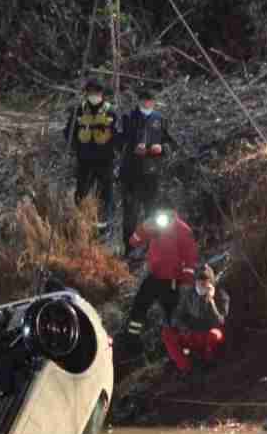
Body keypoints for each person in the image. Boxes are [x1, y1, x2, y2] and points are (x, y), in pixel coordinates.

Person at [121, 205, 198, 360]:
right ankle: (131, 343)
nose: (163, 217)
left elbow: (190, 258)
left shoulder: (182, 229)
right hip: (154, 276)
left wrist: (186, 283)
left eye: (166, 214)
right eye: (160, 214)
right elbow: (134, 242)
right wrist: (143, 227)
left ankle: (179, 352)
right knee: (139, 306)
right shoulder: (154, 227)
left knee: (172, 317)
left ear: (172, 213)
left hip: (172, 281)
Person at [117, 88, 177, 254]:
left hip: (152, 173)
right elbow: (119, 140)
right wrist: (133, 148)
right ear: (139, 101)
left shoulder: (159, 119)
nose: (147, 104)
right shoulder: (129, 118)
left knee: (151, 211)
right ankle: (129, 248)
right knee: (130, 213)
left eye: (150, 101)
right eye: (144, 101)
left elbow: (171, 142)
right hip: (131, 173)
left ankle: (152, 247)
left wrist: (162, 148)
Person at [64, 78, 118, 227]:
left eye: (97, 92)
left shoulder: (111, 111)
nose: (94, 95)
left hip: (104, 160)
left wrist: (114, 151)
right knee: (81, 192)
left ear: (102, 94)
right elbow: (69, 132)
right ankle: (81, 224)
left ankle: (106, 226)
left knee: (106, 194)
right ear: (86, 93)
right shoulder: (79, 111)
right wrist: (76, 148)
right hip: (84, 159)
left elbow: (118, 135)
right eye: (91, 92)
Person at [162, 263, 229, 376]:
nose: (202, 283)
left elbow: (220, 322)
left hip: (209, 334)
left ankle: (209, 361)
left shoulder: (221, 295)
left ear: (211, 281)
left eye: (205, 279)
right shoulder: (190, 294)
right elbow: (178, 316)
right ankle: (186, 367)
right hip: (192, 334)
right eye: (199, 279)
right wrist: (184, 328)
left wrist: (211, 301)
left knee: (215, 335)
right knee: (167, 333)